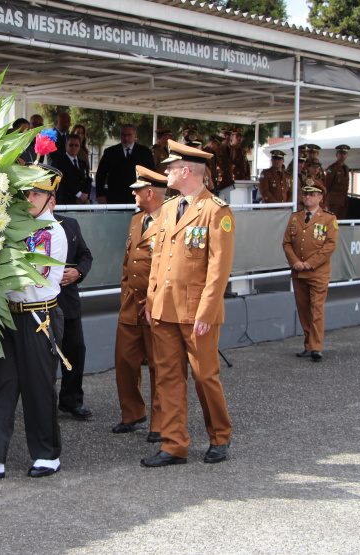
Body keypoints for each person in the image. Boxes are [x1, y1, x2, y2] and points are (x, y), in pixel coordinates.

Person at [0, 164, 68, 479]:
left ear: (51, 200)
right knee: (3, 386)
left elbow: (31, 276)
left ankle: (47, 454)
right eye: (26, 192)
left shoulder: (50, 232)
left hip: (38, 316)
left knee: (39, 387)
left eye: (37, 193)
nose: (29, 198)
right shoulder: (11, 226)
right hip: (9, 315)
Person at [141, 139, 234, 467]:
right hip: (165, 310)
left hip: (197, 313)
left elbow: (219, 268)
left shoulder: (215, 210)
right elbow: (157, 261)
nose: (165, 170)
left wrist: (207, 312)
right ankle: (173, 444)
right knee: (168, 377)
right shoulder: (167, 209)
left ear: (186, 170)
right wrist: (151, 303)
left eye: (170, 167)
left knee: (205, 376)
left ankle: (219, 436)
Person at [113, 165, 167, 442]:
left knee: (158, 365)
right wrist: (125, 293)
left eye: (137, 189)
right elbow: (128, 263)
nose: (133, 192)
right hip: (132, 302)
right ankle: (132, 413)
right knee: (124, 360)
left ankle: (160, 422)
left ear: (150, 192)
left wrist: (157, 298)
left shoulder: (171, 221)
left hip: (156, 305)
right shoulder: (137, 220)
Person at [283, 181, 338, 362]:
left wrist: (310, 263)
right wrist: (295, 262)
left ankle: (316, 347)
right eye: (306, 194)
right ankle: (308, 344)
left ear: (320, 198)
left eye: (312, 195)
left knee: (316, 308)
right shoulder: (294, 217)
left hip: (318, 272)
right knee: (304, 309)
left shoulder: (329, 219)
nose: (307, 197)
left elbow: (330, 245)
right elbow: (287, 242)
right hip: (299, 271)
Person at [54, 200, 94, 420]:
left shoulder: (70, 224)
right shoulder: (26, 226)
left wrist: (78, 272)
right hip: (38, 304)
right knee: (41, 357)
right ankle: (43, 404)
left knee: (75, 351)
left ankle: (71, 401)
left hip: (67, 302)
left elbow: (85, 255)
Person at [95, 124, 155, 205]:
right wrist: (100, 195)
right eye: (123, 135)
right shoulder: (110, 152)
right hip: (115, 199)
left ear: (135, 136)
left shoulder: (145, 152)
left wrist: (149, 195)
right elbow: (100, 175)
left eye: (129, 135)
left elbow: (151, 176)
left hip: (138, 198)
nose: (126, 138)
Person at [47, 133, 90, 205]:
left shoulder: (82, 163)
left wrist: (85, 195)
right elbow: (63, 181)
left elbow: (87, 180)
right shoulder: (59, 162)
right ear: (66, 145)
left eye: (76, 145)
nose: (74, 147)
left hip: (82, 202)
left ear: (80, 146)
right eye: (71, 145)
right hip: (66, 202)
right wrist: (78, 195)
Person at [323, 145, 351, 218]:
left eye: (344, 154)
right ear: (337, 155)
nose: (342, 155)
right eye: (340, 153)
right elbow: (327, 184)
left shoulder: (346, 168)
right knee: (332, 221)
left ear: (347, 155)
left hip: (343, 200)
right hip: (333, 201)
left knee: (341, 222)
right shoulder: (333, 168)